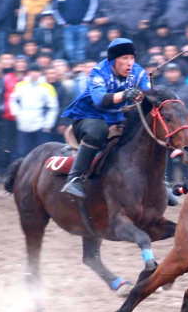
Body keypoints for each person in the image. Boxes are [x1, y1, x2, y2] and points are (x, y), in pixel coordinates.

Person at [60, 38, 150, 199]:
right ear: (113, 60)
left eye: (132, 58)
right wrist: (125, 95)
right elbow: (100, 100)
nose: (130, 63)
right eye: (124, 58)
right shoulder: (99, 72)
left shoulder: (139, 72)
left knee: (147, 125)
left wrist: (148, 95)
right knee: (98, 129)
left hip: (117, 118)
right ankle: (74, 178)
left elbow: (149, 96)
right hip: (88, 117)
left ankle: (160, 180)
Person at [9, 63, 59, 157]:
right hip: (23, 121)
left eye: (37, 71)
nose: (34, 74)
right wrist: (17, 113)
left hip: (40, 122)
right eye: (32, 71)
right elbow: (13, 100)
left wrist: (48, 123)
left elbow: (53, 107)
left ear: (40, 73)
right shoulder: (20, 85)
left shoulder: (48, 87)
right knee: (23, 151)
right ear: (29, 72)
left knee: (40, 151)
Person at [53, 0, 99, 64]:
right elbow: (56, 9)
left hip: (83, 25)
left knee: (82, 49)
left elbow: (93, 3)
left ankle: (81, 66)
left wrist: (87, 19)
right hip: (68, 27)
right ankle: (73, 66)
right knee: (69, 49)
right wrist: (62, 22)